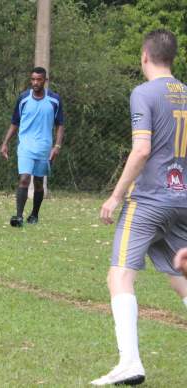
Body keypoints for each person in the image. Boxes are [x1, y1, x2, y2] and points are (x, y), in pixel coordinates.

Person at [92, 29, 187, 386]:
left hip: (149, 201)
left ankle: (130, 362)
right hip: (182, 199)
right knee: (181, 278)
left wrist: (116, 195)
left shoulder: (143, 93)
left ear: (144, 56)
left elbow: (142, 149)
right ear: (171, 57)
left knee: (119, 274)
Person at [0, 67, 65, 227]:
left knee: (38, 181)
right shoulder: (23, 99)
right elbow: (15, 122)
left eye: (39, 80)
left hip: (44, 147)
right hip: (26, 146)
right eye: (33, 79)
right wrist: (5, 143)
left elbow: (60, 124)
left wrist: (57, 146)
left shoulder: (54, 100)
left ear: (45, 81)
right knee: (24, 179)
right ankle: (19, 216)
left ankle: (34, 214)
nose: (35, 82)